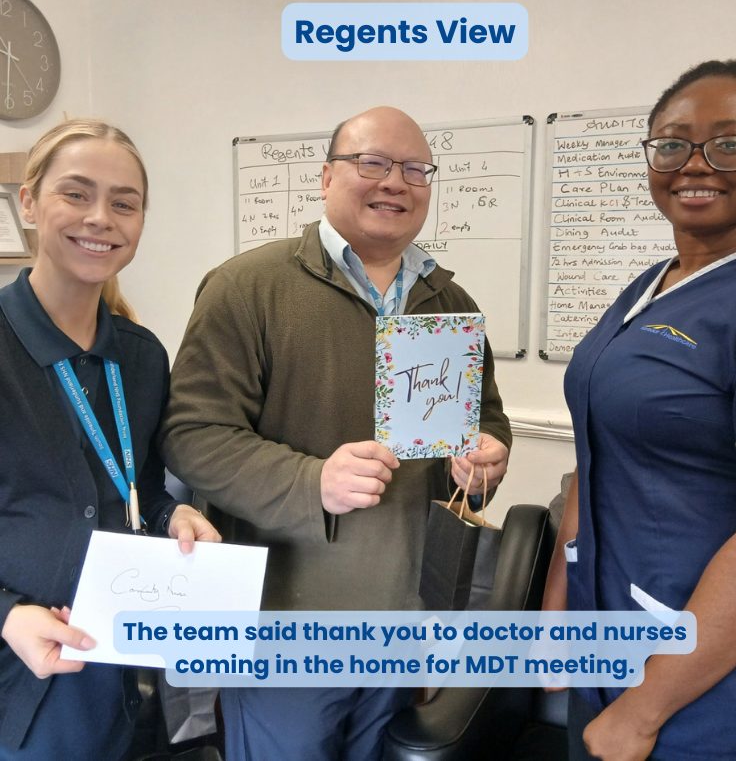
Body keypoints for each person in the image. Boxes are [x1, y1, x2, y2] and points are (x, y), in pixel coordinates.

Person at [159, 105, 512, 760]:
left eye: (415, 169)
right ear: (325, 178)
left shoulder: (448, 302)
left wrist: (486, 459)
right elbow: (193, 433)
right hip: (287, 623)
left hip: (407, 613)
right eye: (372, 163)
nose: (395, 182)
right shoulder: (246, 288)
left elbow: (484, 420)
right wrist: (311, 481)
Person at [543, 58, 736, 761]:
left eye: (729, 143)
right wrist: (557, 616)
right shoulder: (649, 287)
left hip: (705, 694)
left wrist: (641, 713)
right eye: (672, 143)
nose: (695, 163)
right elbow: (594, 460)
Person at [0, 119, 221, 760]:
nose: (100, 218)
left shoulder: (142, 357)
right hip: (20, 679)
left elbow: (138, 485)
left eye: (124, 204)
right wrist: (7, 614)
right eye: (76, 194)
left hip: (122, 672)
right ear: (29, 202)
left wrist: (171, 514)